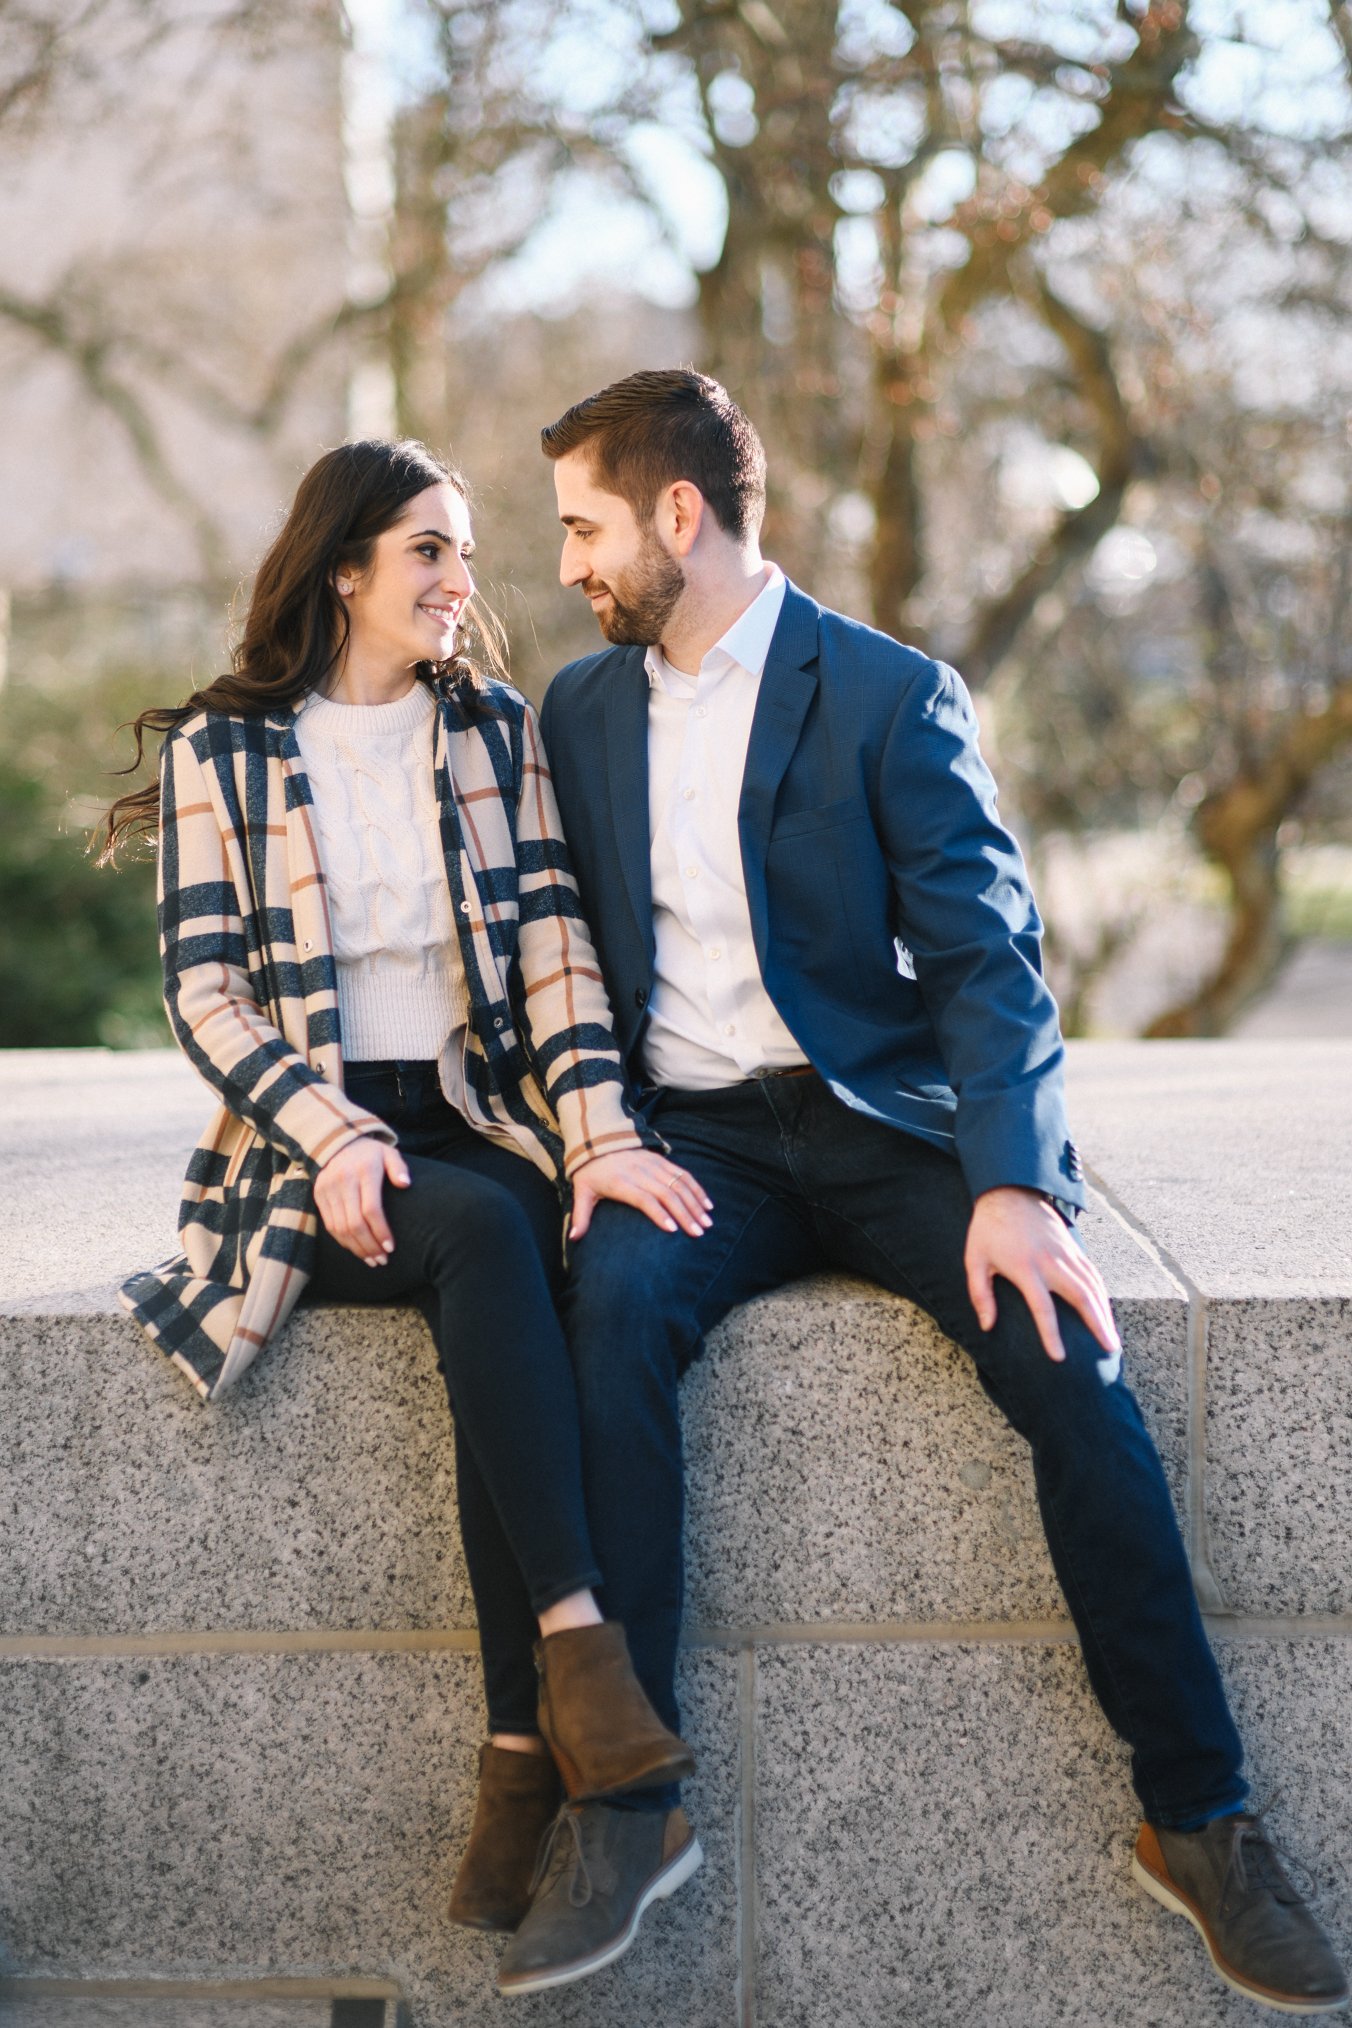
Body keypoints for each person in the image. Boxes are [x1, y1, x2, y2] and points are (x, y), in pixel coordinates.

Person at [485, 370, 1348, 2013]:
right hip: (695, 1147)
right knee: (603, 1319)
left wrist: (1016, 1183)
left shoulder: (886, 693)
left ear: (683, 515)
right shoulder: (580, 716)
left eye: (587, 526)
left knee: (1074, 1373)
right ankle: (633, 1808)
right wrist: (599, 1137)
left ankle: (1202, 1820)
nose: (573, 564)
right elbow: (556, 953)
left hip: (887, 1127)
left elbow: (987, 962)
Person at [103, 437, 712, 1966]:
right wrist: (325, 1135)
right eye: (429, 552)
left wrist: (597, 1143)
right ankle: (578, 1657)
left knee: (547, 1239)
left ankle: (522, 1749)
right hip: (301, 1145)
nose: (461, 582)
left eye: (462, 552)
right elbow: (206, 994)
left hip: (472, 1110)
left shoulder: (490, 733)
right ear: (345, 571)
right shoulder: (224, 754)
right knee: (478, 1233)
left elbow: (560, 954)